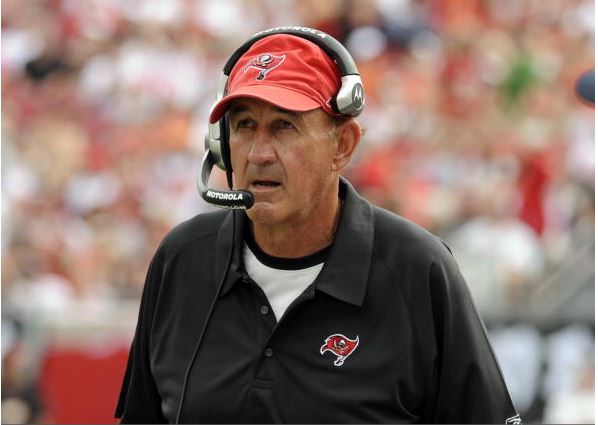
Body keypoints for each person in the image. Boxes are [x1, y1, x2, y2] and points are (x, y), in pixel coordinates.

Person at [115, 27, 520, 424]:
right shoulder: (182, 260)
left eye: (284, 126)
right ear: (221, 146)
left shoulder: (417, 269)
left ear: (342, 145)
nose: (259, 153)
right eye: (244, 126)